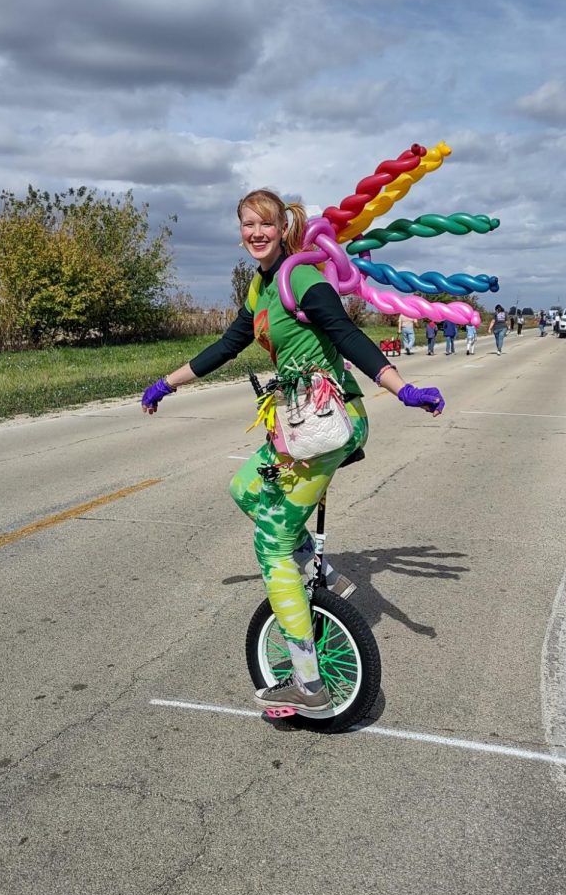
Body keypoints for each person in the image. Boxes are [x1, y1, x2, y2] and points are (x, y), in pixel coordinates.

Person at [140, 190, 444, 717]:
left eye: (265, 224)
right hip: (294, 426)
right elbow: (227, 346)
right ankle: (322, 571)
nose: (255, 233)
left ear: (284, 227)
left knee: (271, 546)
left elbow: (346, 335)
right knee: (243, 488)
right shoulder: (261, 286)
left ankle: (307, 683)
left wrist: (402, 388)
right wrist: (166, 383)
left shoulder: (302, 279)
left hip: (325, 423)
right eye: (246, 225)